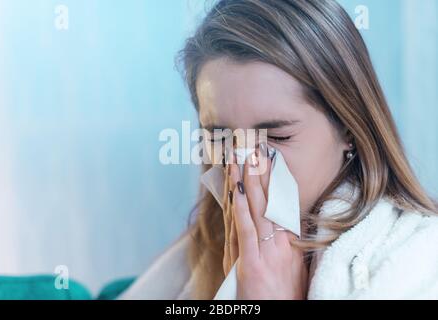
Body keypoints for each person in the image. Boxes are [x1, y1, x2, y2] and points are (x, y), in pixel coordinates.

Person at [120, 0, 438, 300]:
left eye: (276, 136)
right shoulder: (200, 251)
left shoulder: (418, 261)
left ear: (349, 129)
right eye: (219, 137)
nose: (245, 165)